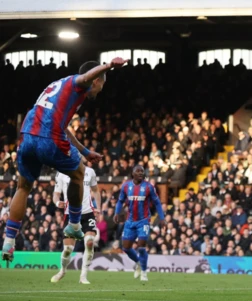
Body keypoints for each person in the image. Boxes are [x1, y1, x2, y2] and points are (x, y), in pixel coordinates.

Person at [1, 57, 128, 262]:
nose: (99, 90)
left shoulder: (57, 86)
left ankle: (8, 241)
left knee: (23, 187)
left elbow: (63, 126)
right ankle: (75, 224)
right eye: (101, 85)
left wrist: (84, 151)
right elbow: (86, 76)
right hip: (48, 137)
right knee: (79, 173)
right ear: (96, 80)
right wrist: (110, 66)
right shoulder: (78, 83)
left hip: (27, 136)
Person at [50, 161, 101, 284]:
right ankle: (62, 271)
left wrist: (98, 208)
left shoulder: (90, 172)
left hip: (88, 213)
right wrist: (57, 203)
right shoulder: (61, 173)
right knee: (68, 249)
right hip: (71, 214)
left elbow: (96, 190)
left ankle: (83, 276)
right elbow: (56, 194)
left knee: (89, 243)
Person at [115, 165, 165, 282]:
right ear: (133, 174)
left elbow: (157, 203)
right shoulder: (126, 186)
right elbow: (120, 201)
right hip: (130, 221)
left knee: (141, 246)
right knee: (126, 248)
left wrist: (162, 218)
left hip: (144, 221)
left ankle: (143, 272)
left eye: (142, 171)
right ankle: (138, 262)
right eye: (138, 172)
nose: (141, 173)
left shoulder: (148, 187)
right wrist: (117, 213)